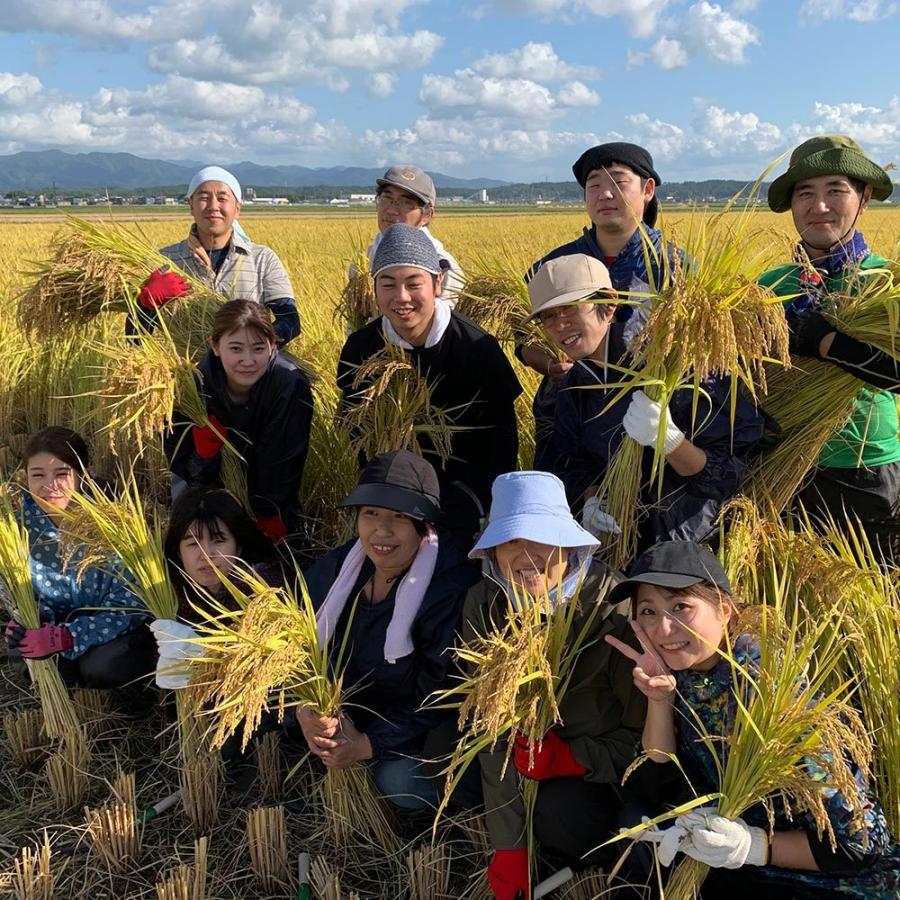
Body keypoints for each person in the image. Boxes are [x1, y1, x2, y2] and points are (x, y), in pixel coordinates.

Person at [605, 540, 900, 899]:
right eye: (648, 611)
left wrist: (754, 846)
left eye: (680, 606)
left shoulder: (773, 693)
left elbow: (864, 843)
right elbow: (658, 772)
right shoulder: (683, 673)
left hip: (829, 883)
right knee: (633, 820)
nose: (663, 630)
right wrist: (660, 700)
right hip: (739, 867)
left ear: (725, 609)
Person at [462, 471, 646, 900]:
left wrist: (570, 759)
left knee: (561, 814)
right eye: (511, 542)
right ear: (493, 551)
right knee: (448, 765)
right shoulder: (486, 602)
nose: (527, 556)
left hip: (598, 768)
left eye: (543, 539)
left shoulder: (614, 608)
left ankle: (590, 863)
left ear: (570, 543)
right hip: (521, 759)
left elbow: (644, 745)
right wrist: (509, 848)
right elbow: (493, 727)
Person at [531, 253, 763, 551]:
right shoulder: (574, 383)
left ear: (609, 305)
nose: (560, 325)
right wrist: (591, 498)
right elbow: (572, 460)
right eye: (548, 316)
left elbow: (728, 476)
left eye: (570, 309)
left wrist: (671, 441)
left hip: (687, 545)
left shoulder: (673, 367)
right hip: (619, 542)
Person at [296, 451, 479, 809]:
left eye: (399, 517)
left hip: (413, 724)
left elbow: (442, 692)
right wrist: (306, 711)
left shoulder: (448, 587)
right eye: (371, 514)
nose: (382, 530)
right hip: (352, 708)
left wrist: (368, 743)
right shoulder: (339, 569)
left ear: (425, 526)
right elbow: (294, 643)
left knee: (400, 782)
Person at [761, 135, 900, 560]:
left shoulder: (886, 286)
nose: (819, 206)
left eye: (835, 190)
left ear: (864, 197)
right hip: (780, 463)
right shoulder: (768, 288)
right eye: (806, 193)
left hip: (866, 466)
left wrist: (828, 344)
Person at [338, 223, 522, 540]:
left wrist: (493, 509)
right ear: (375, 288)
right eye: (388, 284)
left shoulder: (476, 347)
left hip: (464, 496)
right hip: (388, 498)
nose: (402, 297)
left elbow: (503, 438)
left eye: (414, 283)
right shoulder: (362, 347)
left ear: (437, 283)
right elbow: (355, 427)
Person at [518, 143, 675, 468]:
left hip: (649, 413)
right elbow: (522, 338)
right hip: (566, 416)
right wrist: (549, 365)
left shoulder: (674, 267)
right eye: (594, 186)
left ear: (647, 190)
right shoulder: (552, 266)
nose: (605, 194)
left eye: (618, 182)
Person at [3, 427, 154, 692]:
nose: (49, 486)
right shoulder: (18, 532)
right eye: (37, 475)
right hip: (52, 635)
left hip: (112, 635)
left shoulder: (114, 525)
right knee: (23, 655)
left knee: (104, 666)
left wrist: (71, 636)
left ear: (81, 476)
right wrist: (26, 621)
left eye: (62, 474)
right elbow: (20, 595)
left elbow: (132, 604)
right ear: (25, 478)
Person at [165, 299, 314, 547]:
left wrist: (269, 512)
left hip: (272, 496)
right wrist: (203, 456)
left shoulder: (288, 383)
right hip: (207, 494)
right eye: (235, 349)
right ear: (215, 345)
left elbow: (285, 458)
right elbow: (180, 465)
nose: (248, 360)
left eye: (258, 348)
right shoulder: (192, 388)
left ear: (272, 345)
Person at [135, 165, 300, 344]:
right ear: (190, 205)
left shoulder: (262, 259)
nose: (213, 206)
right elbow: (134, 339)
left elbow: (290, 322)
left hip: (250, 367)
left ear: (237, 208)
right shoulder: (164, 262)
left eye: (222, 198)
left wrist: (246, 346)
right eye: (204, 198)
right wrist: (145, 304)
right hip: (182, 369)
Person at [360, 165, 464, 306]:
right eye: (386, 198)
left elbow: (446, 324)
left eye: (405, 203)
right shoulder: (364, 262)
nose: (391, 210)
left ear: (427, 215)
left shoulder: (443, 267)